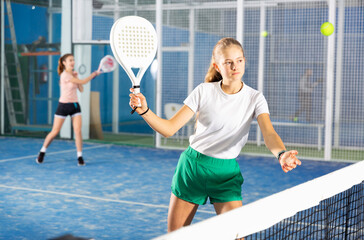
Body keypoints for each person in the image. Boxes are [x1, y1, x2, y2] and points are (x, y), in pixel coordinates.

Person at [129, 37, 301, 232]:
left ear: (244, 61)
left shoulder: (255, 98)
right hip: (193, 169)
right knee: (175, 237)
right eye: (228, 62)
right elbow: (169, 129)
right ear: (217, 66)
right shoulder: (203, 91)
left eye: (239, 60)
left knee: (237, 235)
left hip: (226, 175)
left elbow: (269, 133)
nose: (235, 66)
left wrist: (281, 153)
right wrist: (145, 110)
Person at [36, 53, 99, 166]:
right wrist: (94, 74)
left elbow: (81, 89)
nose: (73, 62)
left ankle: (79, 156)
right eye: (70, 60)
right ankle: (42, 152)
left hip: (74, 106)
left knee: (78, 131)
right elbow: (84, 82)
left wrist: (77, 77)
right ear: (64, 63)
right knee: (55, 132)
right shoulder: (64, 75)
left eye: (73, 60)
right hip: (63, 106)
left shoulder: (73, 75)